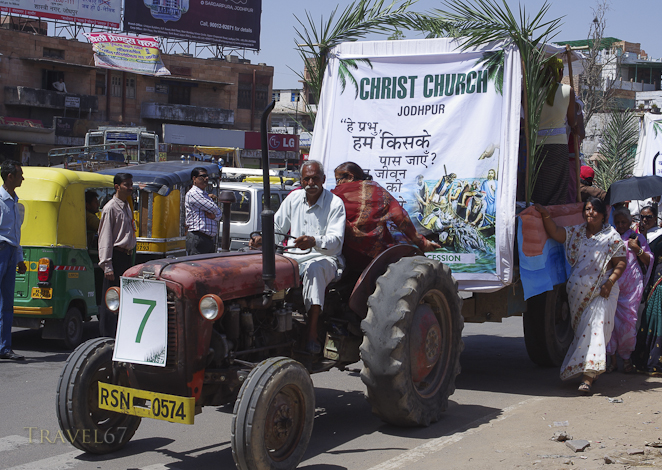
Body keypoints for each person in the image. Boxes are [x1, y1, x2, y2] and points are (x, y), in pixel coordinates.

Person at [250, 160, 345, 354]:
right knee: (259, 268)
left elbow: (336, 240)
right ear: (301, 180)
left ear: (323, 179)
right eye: (307, 179)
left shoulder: (335, 203)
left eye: (315, 178)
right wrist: (263, 239)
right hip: (293, 257)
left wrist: (313, 241)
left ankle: (311, 334)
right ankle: (263, 326)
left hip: (325, 258)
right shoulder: (293, 199)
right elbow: (277, 228)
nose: (311, 182)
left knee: (314, 269)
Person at [535, 197, 626, 394]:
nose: (589, 213)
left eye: (593, 210)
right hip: (578, 294)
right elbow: (557, 233)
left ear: (603, 214)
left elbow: (620, 263)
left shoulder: (612, 237)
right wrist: (545, 214)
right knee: (583, 332)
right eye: (586, 209)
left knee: (596, 329)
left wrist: (610, 283)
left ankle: (587, 378)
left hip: (603, 291)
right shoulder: (576, 232)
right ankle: (590, 370)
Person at [331, 162, 440, 271]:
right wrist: (422, 242)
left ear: (350, 177)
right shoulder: (376, 191)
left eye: (338, 179)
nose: (337, 184)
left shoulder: (333, 196)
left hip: (342, 254)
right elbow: (400, 217)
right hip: (376, 257)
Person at [606, 208, 652, 373]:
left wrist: (637, 249)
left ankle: (626, 360)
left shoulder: (636, 238)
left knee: (628, 323)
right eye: (617, 222)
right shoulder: (610, 237)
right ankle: (612, 361)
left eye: (623, 222)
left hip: (632, 289)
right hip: (613, 285)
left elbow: (649, 259)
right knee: (610, 321)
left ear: (629, 222)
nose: (620, 225)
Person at [531, 57, 577, 206]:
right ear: (560, 71)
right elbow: (572, 121)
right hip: (558, 145)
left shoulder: (532, 92)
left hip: (537, 146)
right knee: (557, 187)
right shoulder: (567, 90)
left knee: (540, 185)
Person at [98, 173, 135, 337]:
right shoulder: (110, 208)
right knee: (111, 299)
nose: (130, 188)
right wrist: (107, 265)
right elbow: (105, 237)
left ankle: (120, 334)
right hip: (116, 257)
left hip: (127, 256)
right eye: (126, 184)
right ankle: (107, 336)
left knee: (124, 298)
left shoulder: (127, 206)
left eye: (131, 184)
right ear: (117, 186)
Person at [0, 160, 26, 360]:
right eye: (20, 174)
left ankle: (4, 347)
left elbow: (15, 234)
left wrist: (19, 258)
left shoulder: (15, 200)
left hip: (10, 252)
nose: (22, 178)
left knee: (8, 303)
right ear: (10, 176)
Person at [185, 167, 221, 255]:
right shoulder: (193, 193)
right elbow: (214, 208)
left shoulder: (204, 194)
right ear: (194, 179)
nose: (206, 178)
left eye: (207, 176)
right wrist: (216, 213)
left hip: (207, 239)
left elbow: (219, 214)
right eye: (203, 176)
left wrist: (214, 216)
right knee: (196, 267)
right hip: (198, 237)